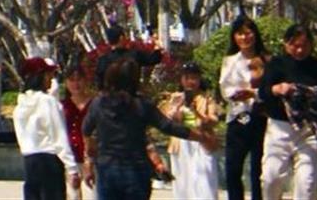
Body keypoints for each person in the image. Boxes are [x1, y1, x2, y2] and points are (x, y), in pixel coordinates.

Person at [82, 57, 216, 200]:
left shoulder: (99, 103)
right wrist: (201, 137)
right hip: (136, 169)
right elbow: (168, 126)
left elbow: (86, 130)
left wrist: (89, 160)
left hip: (107, 168)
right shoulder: (141, 104)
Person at [258, 23, 317, 200]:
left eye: (304, 45)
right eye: (295, 45)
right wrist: (277, 89)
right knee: (271, 177)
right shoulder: (276, 65)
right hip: (280, 127)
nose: (300, 50)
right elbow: (263, 92)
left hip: (310, 129)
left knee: (306, 183)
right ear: (286, 44)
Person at [14, 56, 79, 200]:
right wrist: (71, 168)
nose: (51, 78)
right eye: (49, 74)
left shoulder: (20, 105)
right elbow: (59, 136)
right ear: (40, 76)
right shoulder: (48, 102)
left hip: (30, 161)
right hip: (49, 161)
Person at [220, 13, 268, 200]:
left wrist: (253, 93)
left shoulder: (266, 60)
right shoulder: (230, 61)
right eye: (240, 33)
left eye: (248, 33)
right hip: (238, 116)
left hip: (261, 117)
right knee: (233, 168)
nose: (244, 37)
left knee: (258, 169)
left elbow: (270, 89)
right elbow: (225, 88)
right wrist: (236, 94)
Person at [161, 62, 221, 200]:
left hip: (201, 141)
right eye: (187, 77)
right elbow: (166, 121)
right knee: (182, 185)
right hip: (180, 143)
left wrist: (197, 113)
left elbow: (213, 120)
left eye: (194, 77)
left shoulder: (207, 98)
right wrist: (176, 107)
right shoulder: (175, 97)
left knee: (205, 184)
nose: (190, 82)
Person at [60, 63, 92, 200]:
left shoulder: (95, 104)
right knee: (73, 196)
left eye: (79, 79)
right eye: (71, 80)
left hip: (91, 158)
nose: (75, 84)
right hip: (70, 159)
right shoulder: (62, 106)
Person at [95, 23, 161, 86]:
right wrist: (157, 47)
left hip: (111, 93)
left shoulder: (103, 60)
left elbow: (99, 81)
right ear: (121, 38)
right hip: (132, 92)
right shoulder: (134, 55)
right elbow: (154, 59)